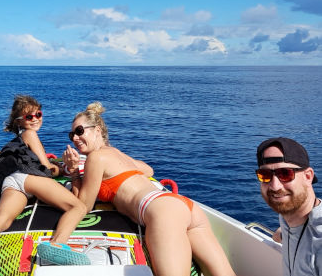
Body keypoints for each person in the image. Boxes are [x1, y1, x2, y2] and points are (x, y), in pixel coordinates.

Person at [38, 102, 236, 276]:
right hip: (185, 207)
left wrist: (74, 174)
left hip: (161, 211)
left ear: (97, 130)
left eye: (80, 131)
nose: (75, 138)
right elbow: (148, 169)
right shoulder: (117, 154)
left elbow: (84, 205)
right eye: (72, 134)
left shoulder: (96, 158)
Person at [0, 95, 87, 276]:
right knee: (78, 207)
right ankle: (56, 245)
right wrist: (64, 169)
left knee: (3, 218)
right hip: (29, 178)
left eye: (38, 114)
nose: (35, 119)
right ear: (19, 122)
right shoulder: (31, 134)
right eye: (29, 117)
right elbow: (46, 168)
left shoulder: (13, 143)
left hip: (11, 180)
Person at [256, 137, 321, 276]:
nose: (275, 186)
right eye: (265, 175)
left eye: (285, 174)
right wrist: (282, 235)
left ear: (308, 176)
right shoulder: (289, 218)